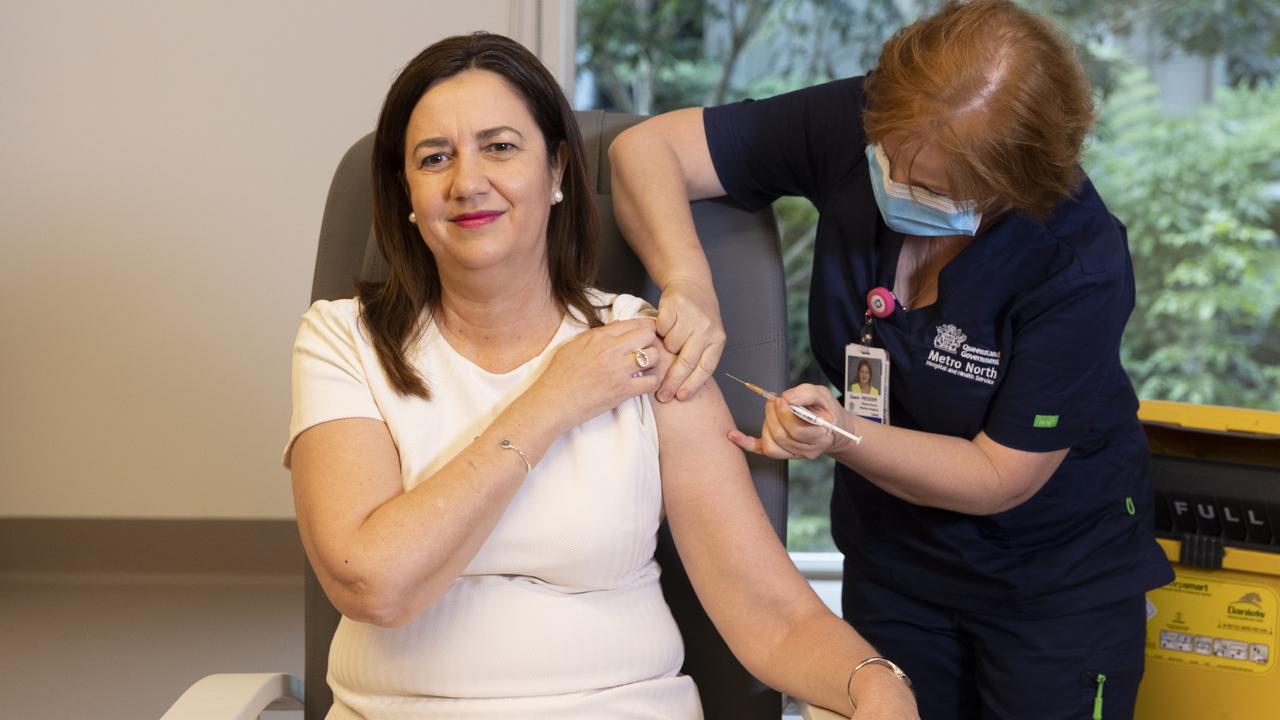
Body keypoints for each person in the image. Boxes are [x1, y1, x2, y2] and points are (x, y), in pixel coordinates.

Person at [285, 32, 918, 720]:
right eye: (435, 158)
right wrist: (555, 397)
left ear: (558, 170)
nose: (467, 182)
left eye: (500, 147)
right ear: (405, 192)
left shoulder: (643, 346)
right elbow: (374, 584)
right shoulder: (344, 338)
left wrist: (873, 681)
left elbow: (768, 612)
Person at [608, 1, 1173, 718]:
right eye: (888, 160)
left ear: (1013, 187)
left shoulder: (1077, 263)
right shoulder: (870, 122)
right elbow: (643, 151)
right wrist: (689, 280)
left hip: (1054, 584)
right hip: (893, 566)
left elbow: (1000, 476)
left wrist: (841, 434)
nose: (897, 187)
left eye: (933, 188)